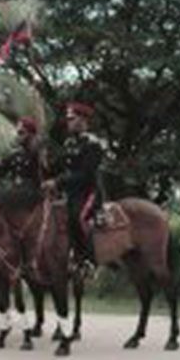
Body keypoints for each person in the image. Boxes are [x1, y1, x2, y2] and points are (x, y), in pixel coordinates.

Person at [42, 102, 105, 263]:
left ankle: (89, 258)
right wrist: (45, 163)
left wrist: (58, 181)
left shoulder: (93, 144)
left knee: (78, 217)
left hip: (89, 192)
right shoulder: (69, 144)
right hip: (70, 193)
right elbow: (59, 167)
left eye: (72, 119)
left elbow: (85, 174)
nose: (68, 122)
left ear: (82, 120)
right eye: (68, 119)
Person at [0, 116, 43, 190]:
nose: (18, 136)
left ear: (31, 134)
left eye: (21, 133)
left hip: (35, 193)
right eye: (18, 132)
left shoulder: (40, 153)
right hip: (18, 193)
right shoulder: (16, 155)